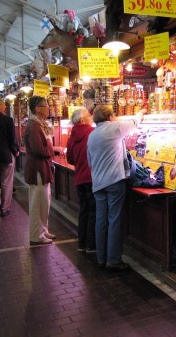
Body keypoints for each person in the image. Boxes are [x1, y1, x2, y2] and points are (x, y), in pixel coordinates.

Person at [87, 105, 145, 270]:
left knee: (101, 220)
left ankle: (101, 257)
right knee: (114, 220)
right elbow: (135, 121)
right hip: (114, 181)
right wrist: (140, 112)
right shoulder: (114, 128)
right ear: (110, 116)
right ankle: (113, 260)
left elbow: (90, 161)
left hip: (97, 183)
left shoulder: (92, 135)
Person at [24, 96, 63, 245]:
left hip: (42, 168)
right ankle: (36, 235)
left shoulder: (39, 124)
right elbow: (39, 150)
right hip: (37, 170)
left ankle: (43, 229)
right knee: (37, 203)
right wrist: (53, 148)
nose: (48, 108)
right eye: (45, 106)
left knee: (44, 202)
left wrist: (51, 148)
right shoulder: (33, 126)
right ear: (37, 109)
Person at [66, 107, 96, 253]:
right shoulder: (92, 133)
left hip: (79, 179)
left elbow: (70, 159)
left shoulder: (71, 137)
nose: (91, 118)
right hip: (92, 178)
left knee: (83, 211)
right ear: (83, 120)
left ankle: (81, 243)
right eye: (89, 116)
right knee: (93, 211)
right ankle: (91, 245)